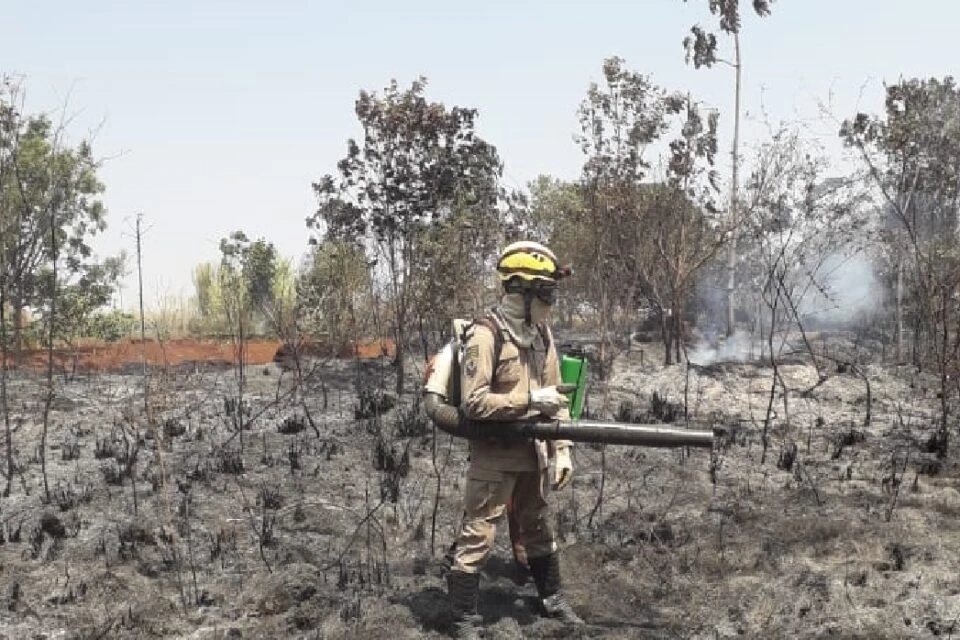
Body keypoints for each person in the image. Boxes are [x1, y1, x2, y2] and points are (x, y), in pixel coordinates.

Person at [446, 240, 584, 639]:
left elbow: (558, 395)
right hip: (495, 458)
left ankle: (553, 599)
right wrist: (528, 400)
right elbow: (474, 404)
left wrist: (562, 450)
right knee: (479, 534)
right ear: (519, 292)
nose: (550, 304)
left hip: (534, 453)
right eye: (545, 294)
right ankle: (462, 618)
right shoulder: (485, 336)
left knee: (538, 526)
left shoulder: (542, 335)